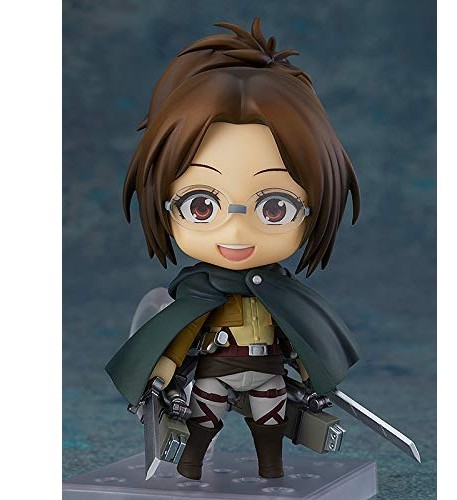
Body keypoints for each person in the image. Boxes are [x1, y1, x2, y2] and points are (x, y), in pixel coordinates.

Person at [106, 17, 361, 480]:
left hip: (269, 371)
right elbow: (181, 333)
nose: (238, 231)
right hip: (215, 371)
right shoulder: (198, 293)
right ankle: (189, 472)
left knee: (272, 426)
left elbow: (297, 335)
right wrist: (160, 375)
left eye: (275, 207)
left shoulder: (281, 295)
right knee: (201, 426)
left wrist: (313, 373)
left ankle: (272, 473)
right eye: (202, 205)